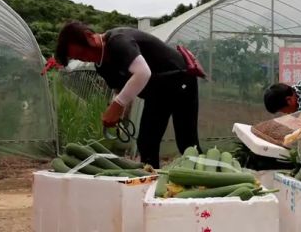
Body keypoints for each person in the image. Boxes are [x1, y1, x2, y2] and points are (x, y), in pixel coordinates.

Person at [55, 21, 201, 168]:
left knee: (187, 143)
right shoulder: (101, 66)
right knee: (146, 142)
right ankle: (151, 185)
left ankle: (210, 180)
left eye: (82, 53)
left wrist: (118, 105)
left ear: (89, 37)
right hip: (158, 92)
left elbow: (143, 72)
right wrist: (118, 112)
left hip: (180, 80)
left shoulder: (118, 41)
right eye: (79, 58)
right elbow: (119, 88)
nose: (85, 58)